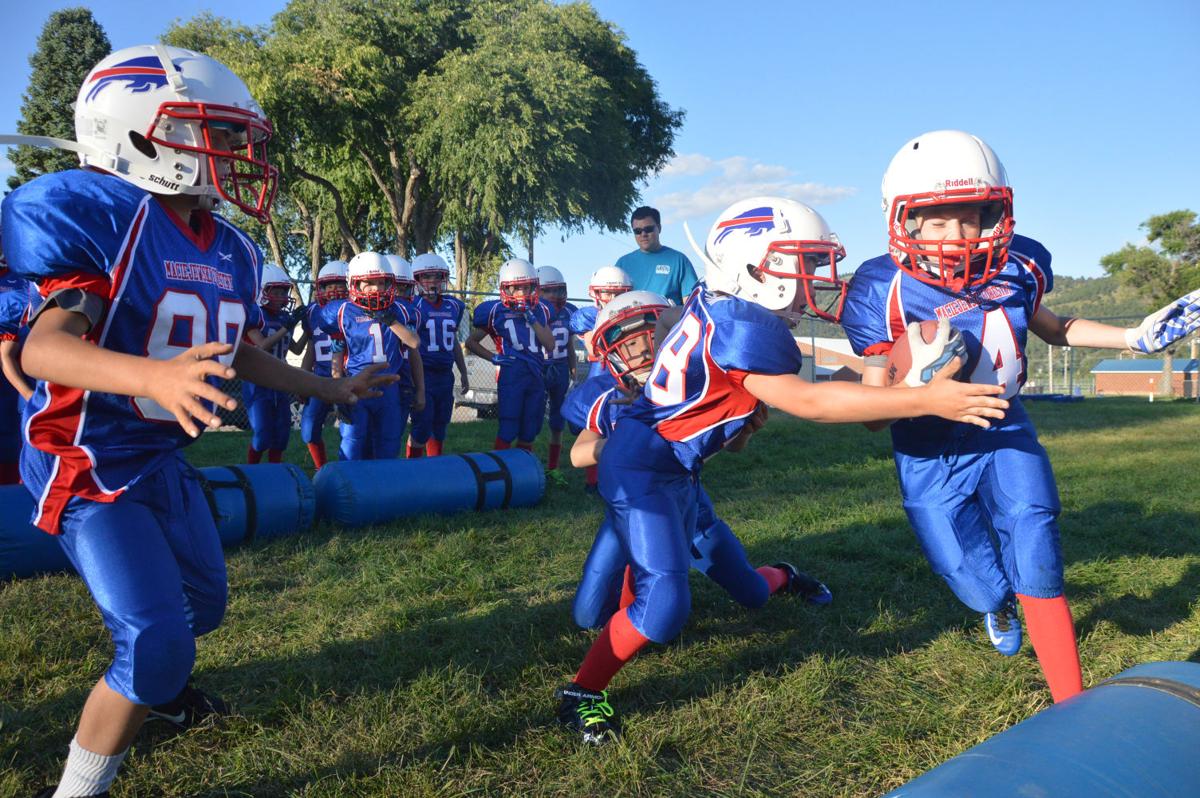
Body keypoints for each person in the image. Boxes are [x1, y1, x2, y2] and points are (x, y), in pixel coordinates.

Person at [0, 44, 393, 798]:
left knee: (201, 607)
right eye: (212, 134)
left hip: (158, 458)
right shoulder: (100, 216)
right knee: (153, 637)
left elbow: (241, 355)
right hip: (88, 460)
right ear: (141, 133)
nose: (235, 155)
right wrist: (153, 376)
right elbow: (48, 347)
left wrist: (327, 386)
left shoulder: (234, 250)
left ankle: (161, 695)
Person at [553, 196, 1009, 745]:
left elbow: (733, 430)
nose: (811, 279)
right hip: (641, 471)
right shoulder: (740, 325)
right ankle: (583, 690)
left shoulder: (720, 306)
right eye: (802, 263)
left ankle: (783, 574)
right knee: (665, 608)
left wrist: (741, 425)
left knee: (748, 593)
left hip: (680, 473)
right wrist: (924, 400)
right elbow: (813, 404)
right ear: (754, 268)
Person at [840, 130, 1200, 704]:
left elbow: (1054, 327)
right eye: (937, 220)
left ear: (996, 212)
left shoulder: (1018, 264)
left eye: (972, 216)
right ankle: (995, 603)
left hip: (1003, 424)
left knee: (1035, 537)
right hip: (929, 445)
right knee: (965, 570)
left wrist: (1134, 338)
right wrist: (916, 386)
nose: (957, 235)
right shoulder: (882, 287)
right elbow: (869, 413)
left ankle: (1070, 702)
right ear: (903, 222)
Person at [563, 289, 831, 639]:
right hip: (633, 507)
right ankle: (645, 608)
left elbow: (729, 447)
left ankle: (784, 574)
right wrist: (632, 441)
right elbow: (578, 454)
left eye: (650, 336)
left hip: (690, 507)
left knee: (752, 593)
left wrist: (746, 432)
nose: (645, 349)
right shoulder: (606, 395)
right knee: (588, 616)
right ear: (612, 355)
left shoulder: (697, 385)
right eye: (631, 344)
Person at [319, 252, 422, 461]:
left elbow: (414, 343)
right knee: (352, 443)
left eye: (381, 282)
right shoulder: (342, 311)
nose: (376, 288)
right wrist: (338, 388)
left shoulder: (399, 310)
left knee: (388, 443)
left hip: (389, 386)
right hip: (356, 384)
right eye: (369, 283)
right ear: (353, 284)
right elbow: (337, 356)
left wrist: (391, 321)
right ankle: (348, 488)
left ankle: (382, 490)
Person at [466, 258, 556, 453]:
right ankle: (501, 470)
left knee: (530, 428)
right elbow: (470, 342)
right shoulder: (496, 311)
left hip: (535, 373)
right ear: (505, 289)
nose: (522, 293)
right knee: (508, 426)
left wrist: (531, 319)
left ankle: (523, 471)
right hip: (512, 373)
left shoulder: (541, 310)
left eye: (526, 287)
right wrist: (493, 357)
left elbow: (549, 344)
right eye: (515, 288)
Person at [568, 265, 632, 492]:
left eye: (619, 293)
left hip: (625, 378)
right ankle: (592, 481)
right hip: (602, 376)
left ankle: (617, 475)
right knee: (595, 428)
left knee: (620, 426)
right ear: (595, 293)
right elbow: (594, 349)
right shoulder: (589, 316)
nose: (613, 298)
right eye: (608, 292)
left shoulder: (633, 311)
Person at [408, 253, 469, 458]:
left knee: (440, 425)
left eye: (437, 276)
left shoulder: (454, 306)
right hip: (423, 373)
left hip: (445, 374)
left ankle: (435, 469)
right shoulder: (413, 306)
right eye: (427, 276)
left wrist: (463, 372)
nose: (433, 281)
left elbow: (453, 343)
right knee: (422, 425)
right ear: (416, 280)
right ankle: (413, 468)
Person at [243, 262, 305, 464]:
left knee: (281, 437)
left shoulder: (284, 317)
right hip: (257, 381)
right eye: (276, 291)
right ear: (262, 291)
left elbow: (295, 349)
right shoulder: (255, 314)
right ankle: (251, 472)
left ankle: (275, 473)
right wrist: (285, 328)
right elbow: (261, 346)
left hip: (279, 380)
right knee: (262, 436)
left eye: (283, 291)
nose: (281, 296)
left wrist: (308, 331)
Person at [299, 259, 349, 469]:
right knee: (309, 431)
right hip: (319, 378)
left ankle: (348, 471)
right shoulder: (312, 311)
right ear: (320, 287)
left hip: (348, 377)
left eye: (340, 285)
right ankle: (323, 470)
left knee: (350, 434)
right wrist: (302, 376)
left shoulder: (353, 309)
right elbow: (312, 346)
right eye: (329, 285)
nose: (334, 290)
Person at [536, 265, 578, 470]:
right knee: (532, 420)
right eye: (548, 290)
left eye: (557, 289)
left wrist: (573, 368)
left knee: (557, 420)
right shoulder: (534, 310)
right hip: (539, 366)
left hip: (560, 367)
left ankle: (553, 468)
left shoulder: (569, 310)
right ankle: (529, 465)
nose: (553, 295)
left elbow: (569, 343)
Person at [615, 206, 699, 305]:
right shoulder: (622, 264)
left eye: (648, 229)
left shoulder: (679, 260)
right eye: (638, 231)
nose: (643, 234)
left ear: (659, 228)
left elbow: (692, 304)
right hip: (632, 320)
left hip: (669, 319)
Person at [385, 254, 426, 453]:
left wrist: (420, 389)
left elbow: (414, 351)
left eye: (404, 288)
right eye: (396, 288)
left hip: (401, 382)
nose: (400, 295)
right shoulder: (358, 312)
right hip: (372, 380)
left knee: (392, 437)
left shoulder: (409, 312)